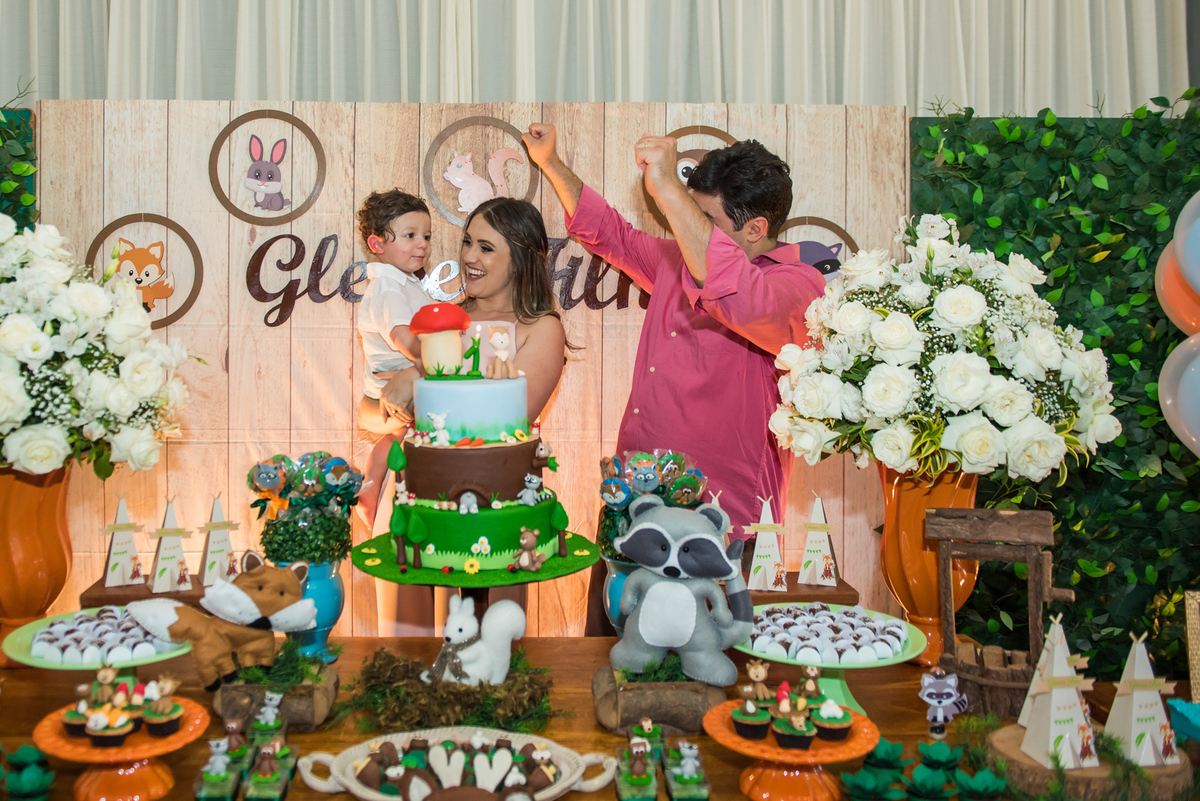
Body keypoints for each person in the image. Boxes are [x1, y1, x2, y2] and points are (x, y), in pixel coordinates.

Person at [522, 124, 823, 631]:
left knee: (709, 666)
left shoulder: (797, 285)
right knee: (612, 648)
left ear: (755, 229)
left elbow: (740, 298)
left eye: (704, 217)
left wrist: (667, 189)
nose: (685, 226)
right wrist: (551, 162)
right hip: (634, 495)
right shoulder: (673, 261)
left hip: (722, 516)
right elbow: (607, 231)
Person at [375, 197, 569, 635]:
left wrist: (419, 371)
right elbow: (385, 406)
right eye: (467, 243)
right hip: (425, 495)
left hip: (496, 503)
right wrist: (397, 389)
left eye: (485, 247)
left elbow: (510, 416)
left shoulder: (540, 327)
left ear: (520, 258)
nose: (467, 256)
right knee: (414, 632)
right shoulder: (440, 321)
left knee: (491, 636)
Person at [355, 189, 435, 524]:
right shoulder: (389, 288)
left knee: (401, 435)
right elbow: (402, 336)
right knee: (412, 430)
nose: (422, 244)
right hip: (390, 384)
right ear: (377, 245)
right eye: (410, 236)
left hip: (394, 382)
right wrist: (431, 364)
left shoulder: (404, 282)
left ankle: (372, 485)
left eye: (427, 236)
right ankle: (372, 489)